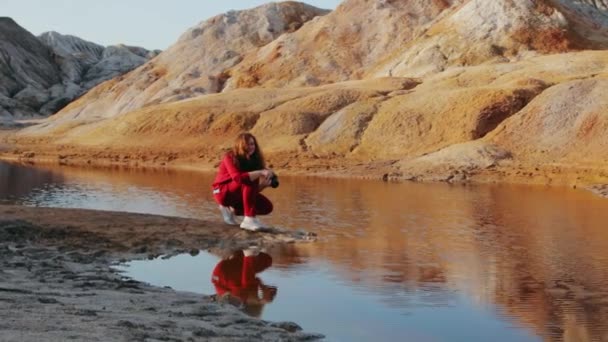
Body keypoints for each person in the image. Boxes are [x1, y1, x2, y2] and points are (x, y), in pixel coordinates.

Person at [211, 132, 275, 231]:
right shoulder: (230, 156)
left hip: (236, 194)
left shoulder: (254, 160)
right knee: (248, 178)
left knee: (267, 207)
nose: (250, 147)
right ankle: (249, 219)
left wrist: (263, 185)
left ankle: (234, 210)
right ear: (239, 145)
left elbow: (249, 192)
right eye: (246, 144)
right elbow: (238, 179)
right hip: (220, 191)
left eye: (252, 144)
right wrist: (260, 172)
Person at [211, 247, 277, 318]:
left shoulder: (240, 299)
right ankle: (240, 252)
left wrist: (263, 298)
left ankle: (248, 254)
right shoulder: (230, 295)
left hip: (225, 275)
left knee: (250, 286)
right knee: (266, 261)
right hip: (219, 275)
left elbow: (248, 284)